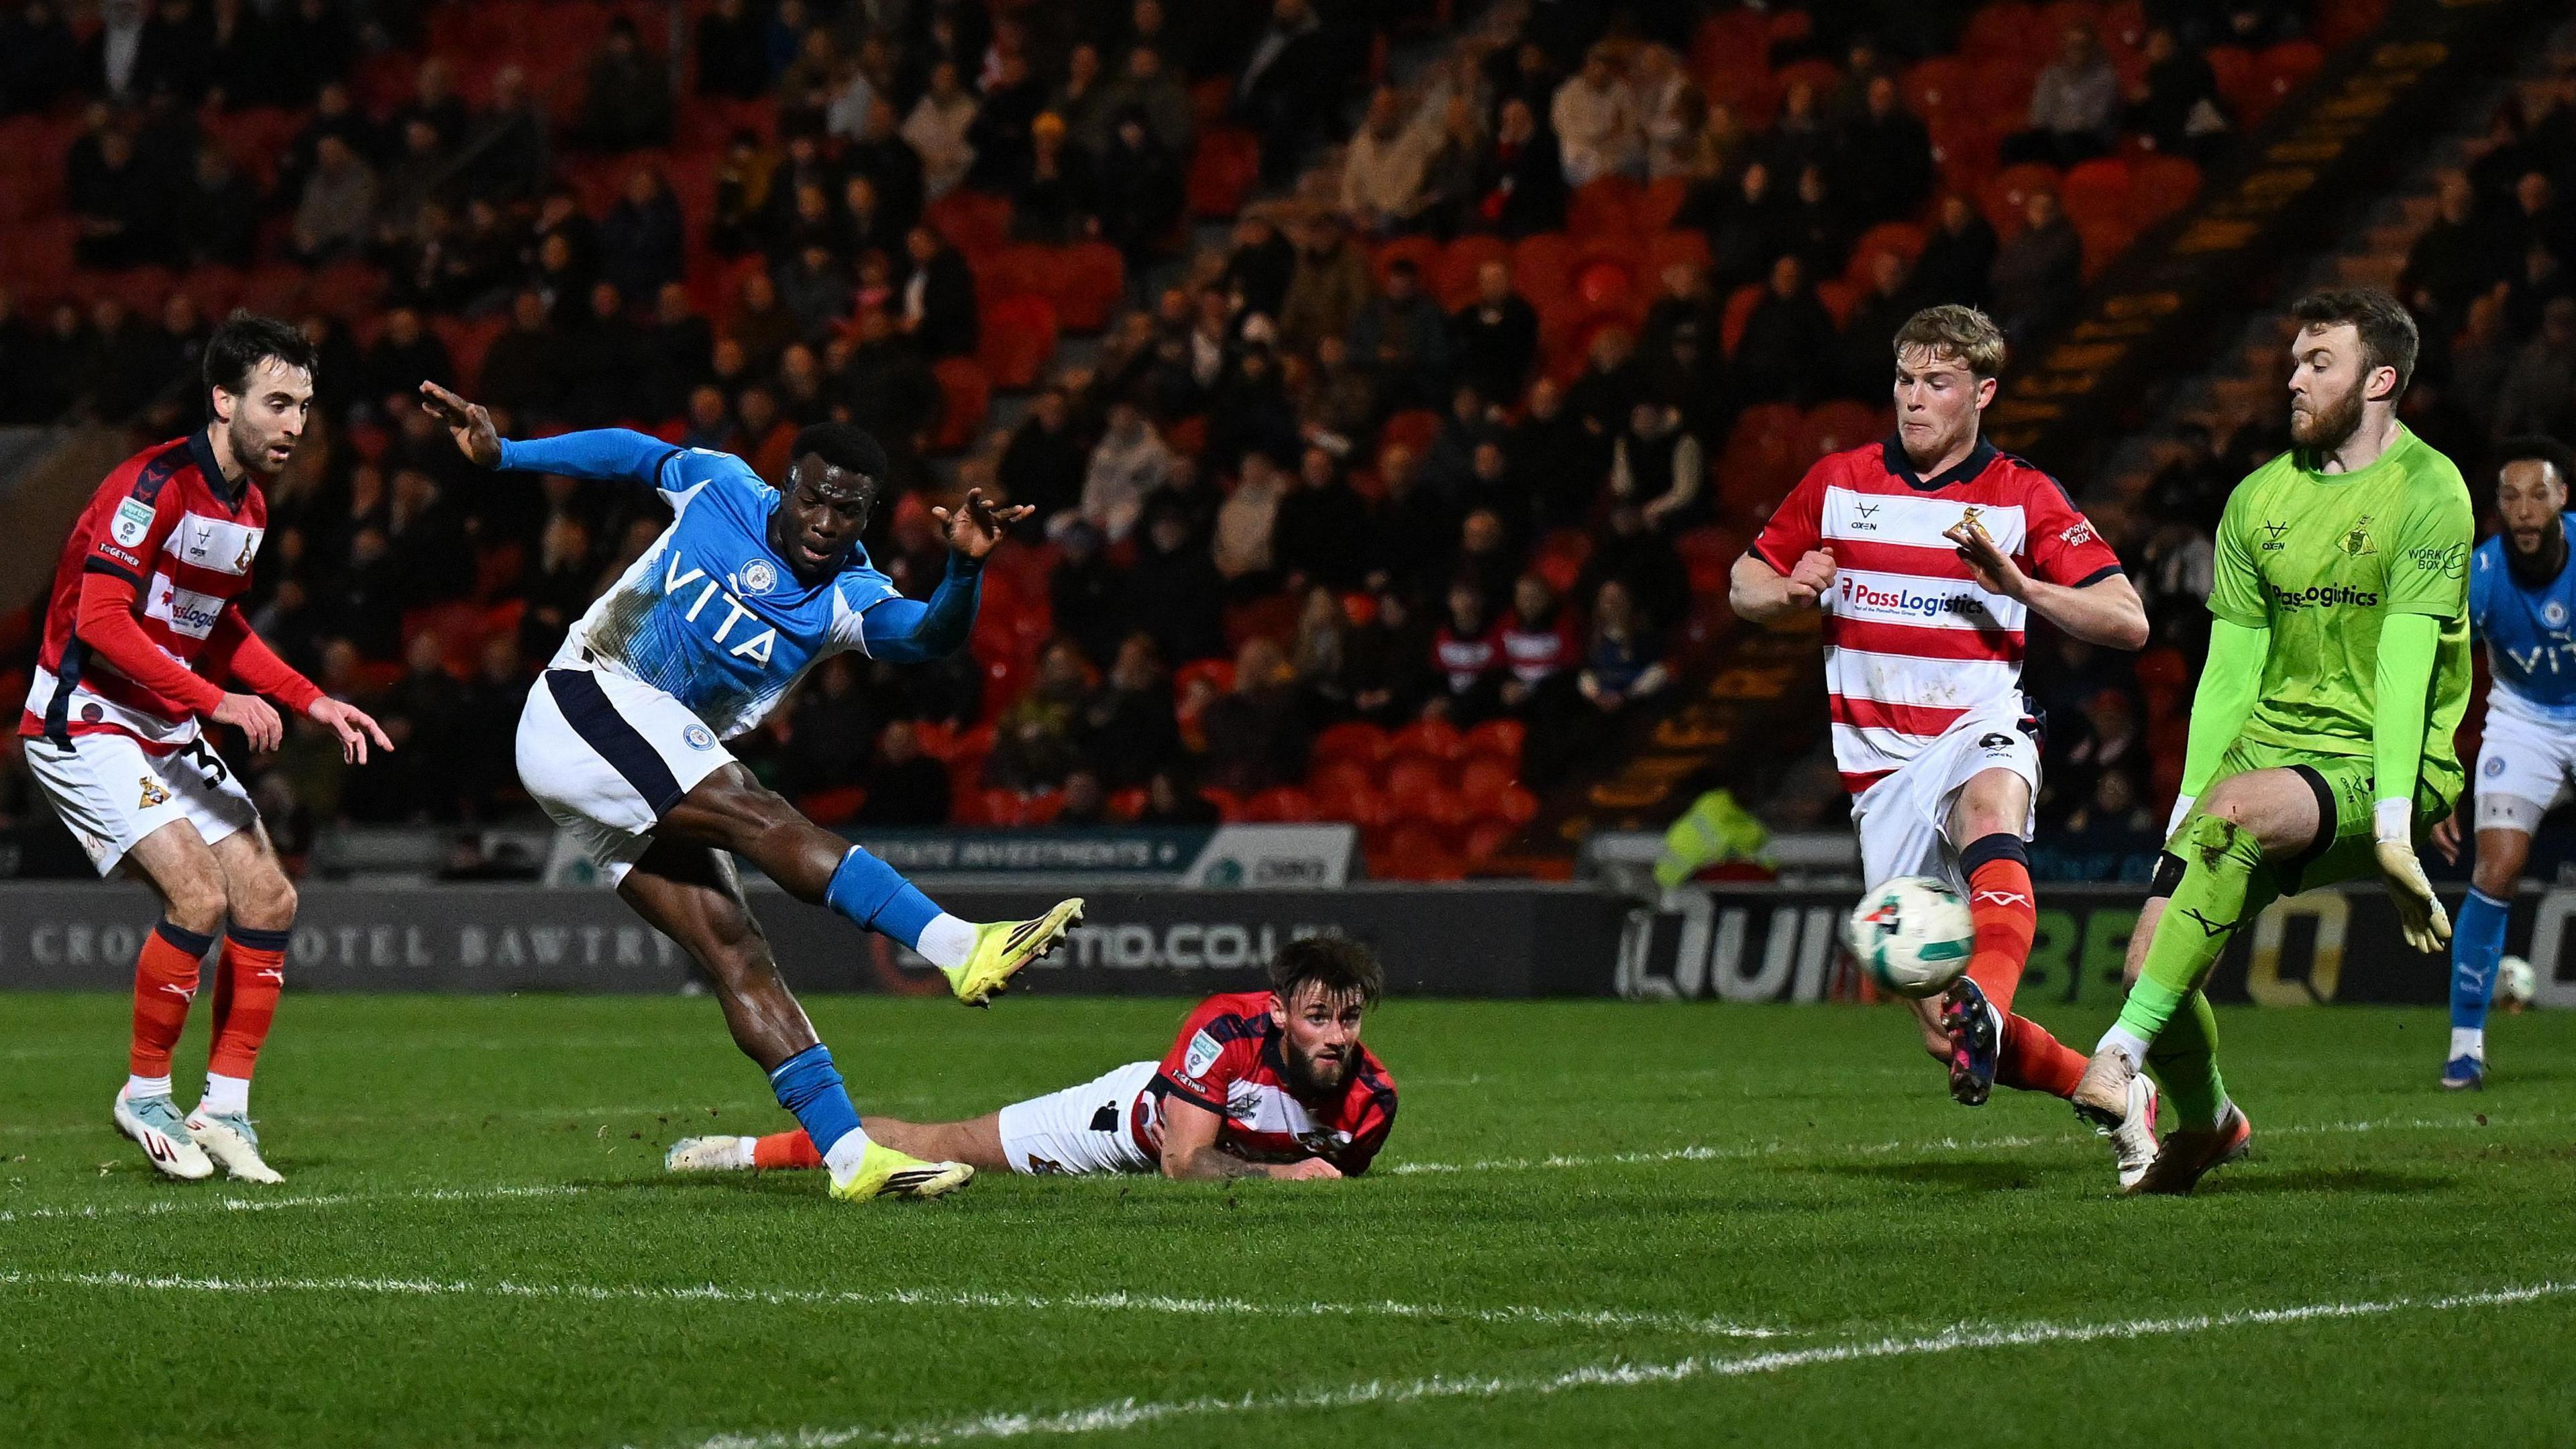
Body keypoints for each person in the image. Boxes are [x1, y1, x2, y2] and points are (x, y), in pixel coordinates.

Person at [417, 384, 1085, 1203]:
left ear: (867, 518)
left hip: (638, 762)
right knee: (756, 810)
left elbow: (928, 637)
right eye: (814, 499)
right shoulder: (720, 485)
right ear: (787, 484)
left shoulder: (849, 594)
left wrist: (964, 570)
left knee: (738, 948)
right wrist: (508, 453)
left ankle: (850, 1158)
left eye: (848, 512)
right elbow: (630, 449)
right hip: (586, 698)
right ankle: (957, 946)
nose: (825, 523)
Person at [1728, 305, 2151, 1169]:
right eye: (1905, 382)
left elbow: (2128, 620)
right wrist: (1785, 592)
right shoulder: (1839, 482)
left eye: (1938, 384)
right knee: (1936, 1035)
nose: (1914, 401)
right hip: (1878, 773)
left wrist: (2020, 585)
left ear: (1983, 393)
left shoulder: (2020, 496)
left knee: (1989, 809)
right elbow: (1744, 580)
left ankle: (1987, 1006)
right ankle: (2114, 1092)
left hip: (1978, 725)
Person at [2076, 289, 2473, 1193]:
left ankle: (2118, 1053)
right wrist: (2186, 814)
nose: (2291, 379)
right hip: (2263, 757)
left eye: (2317, 363)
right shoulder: (2258, 497)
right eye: (2292, 361)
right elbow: (2229, 672)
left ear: (2379, 380)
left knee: (2232, 820)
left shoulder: (2429, 490)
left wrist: (2393, 826)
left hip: (2383, 760)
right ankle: (2212, 1120)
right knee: (2151, 961)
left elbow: (2411, 661)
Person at [19, 315, 390, 1185]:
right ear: (223, 401)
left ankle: (223, 1107)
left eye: (304, 404)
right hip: (87, 718)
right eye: (277, 402)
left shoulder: (251, 505)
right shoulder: (149, 487)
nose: (296, 423)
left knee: (268, 894)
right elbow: (101, 623)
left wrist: (311, 699)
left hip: (164, 723)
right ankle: (144, 1093)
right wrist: (219, 702)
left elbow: (210, 624)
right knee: (198, 892)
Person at [666, 936, 1397, 1179]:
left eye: (1350, 1018)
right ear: (1278, 1013)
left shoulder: (1374, 1102)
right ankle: (742, 1153)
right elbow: (1183, 1161)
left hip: (1192, 1143)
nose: (1336, 1034)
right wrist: (1283, 1177)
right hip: (1128, 1124)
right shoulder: (1227, 1031)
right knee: (942, 1148)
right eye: (1318, 1017)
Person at [2423, 439, 2576, 1089]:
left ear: (2562, 499)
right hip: (2524, 723)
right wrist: (2435, 776)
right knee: (2499, 864)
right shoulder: (2480, 577)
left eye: (2538, 494)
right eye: (2511, 497)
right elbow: (2439, 678)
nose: (2525, 510)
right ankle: (2465, 1048)